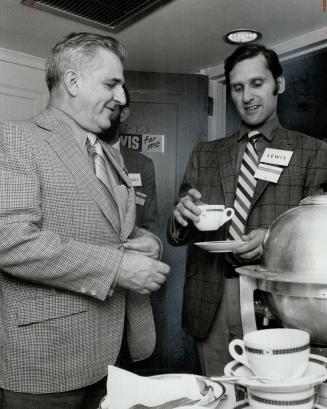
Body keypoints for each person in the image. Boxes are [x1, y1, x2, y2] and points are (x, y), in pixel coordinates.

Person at [0, 32, 170, 409]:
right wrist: (118, 268)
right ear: (73, 82)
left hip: (111, 355)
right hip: (45, 362)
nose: (122, 98)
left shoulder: (110, 154)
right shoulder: (14, 138)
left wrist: (150, 242)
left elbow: (115, 228)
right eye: (112, 84)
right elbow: (9, 240)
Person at [167, 43, 327, 376]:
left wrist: (269, 238)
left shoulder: (312, 151)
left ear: (278, 85)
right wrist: (181, 216)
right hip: (210, 300)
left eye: (257, 83)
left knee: (272, 393)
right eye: (238, 88)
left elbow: (315, 231)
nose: (247, 96)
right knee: (220, 392)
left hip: (273, 302)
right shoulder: (205, 154)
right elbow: (177, 232)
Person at [102, 85, 158, 233]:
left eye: (108, 107)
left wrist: (152, 244)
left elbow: (150, 223)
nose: (100, 115)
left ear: (123, 114)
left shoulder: (143, 165)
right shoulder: (78, 156)